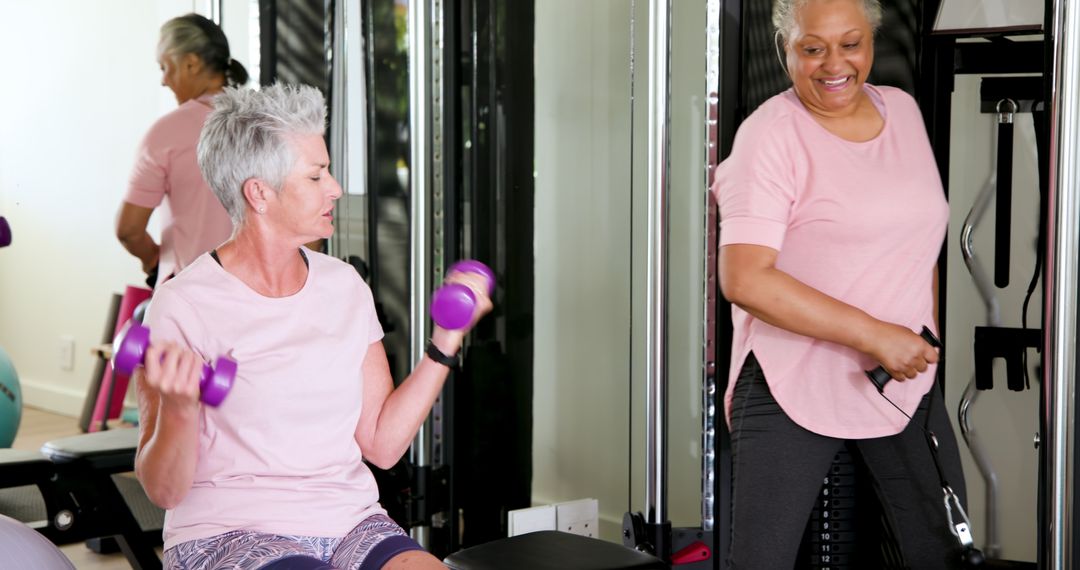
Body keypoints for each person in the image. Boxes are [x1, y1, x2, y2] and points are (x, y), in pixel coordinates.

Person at [133, 84, 491, 570]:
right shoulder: (183, 304)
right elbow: (163, 490)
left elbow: (382, 445)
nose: (335, 188)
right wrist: (178, 407)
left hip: (348, 521)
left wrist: (446, 340)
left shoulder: (344, 286)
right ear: (259, 193)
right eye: (316, 175)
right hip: (228, 533)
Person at [713, 0, 967, 568]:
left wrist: (921, 334)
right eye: (812, 47)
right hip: (790, 378)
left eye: (850, 44)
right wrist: (876, 334)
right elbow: (745, 279)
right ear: (786, 51)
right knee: (762, 563)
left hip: (901, 376)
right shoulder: (769, 136)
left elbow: (918, 234)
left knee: (943, 553)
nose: (835, 64)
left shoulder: (900, 110)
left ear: (871, 42)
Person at [117, 13, 248, 289]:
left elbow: (128, 230)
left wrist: (153, 260)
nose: (164, 81)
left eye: (165, 66)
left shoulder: (166, 133)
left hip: (194, 297)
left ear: (191, 63)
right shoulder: (269, 121)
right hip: (266, 298)